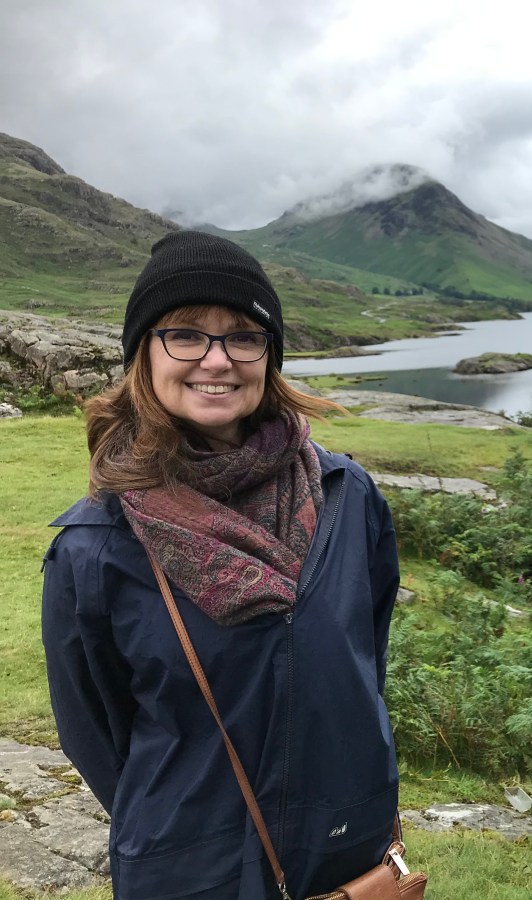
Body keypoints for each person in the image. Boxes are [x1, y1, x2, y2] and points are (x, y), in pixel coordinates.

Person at [41, 231, 402, 898]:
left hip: (346, 850)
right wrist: (186, 827)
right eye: (185, 334)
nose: (217, 359)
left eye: (243, 336)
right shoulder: (95, 548)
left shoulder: (347, 497)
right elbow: (95, 734)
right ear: (143, 353)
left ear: (270, 354)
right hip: (189, 871)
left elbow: (362, 670)